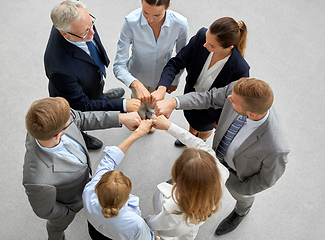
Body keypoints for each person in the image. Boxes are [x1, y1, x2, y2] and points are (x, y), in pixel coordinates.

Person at [154, 78, 290, 235]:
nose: (229, 98)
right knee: (193, 174)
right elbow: (209, 98)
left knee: (242, 197)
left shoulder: (275, 148)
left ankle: (241, 212)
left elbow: (266, 180)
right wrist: (174, 102)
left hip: (237, 177)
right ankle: (182, 187)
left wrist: (238, 187)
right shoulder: (236, 91)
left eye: (233, 101)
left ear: (251, 114)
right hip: (214, 156)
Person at [22, 97, 141, 240]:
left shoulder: (54, 120)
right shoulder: (37, 180)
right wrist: (69, 212)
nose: (72, 117)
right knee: (56, 227)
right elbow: (45, 210)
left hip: (81, 181)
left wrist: (121, 118)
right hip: (71, 203)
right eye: (68, 121)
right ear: (58, 134)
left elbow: (82, 118)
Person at [44, 0, 141, 149]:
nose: (92, 32)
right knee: (75, 117)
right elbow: (82, 105)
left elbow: (88, 31)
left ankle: (100, 98)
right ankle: (79, 134)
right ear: (65, 33)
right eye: (85, 32)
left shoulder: (73, 21)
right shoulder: (60, 70)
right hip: (73, 100)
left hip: (86, 80)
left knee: (95, 92)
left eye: (91, 24)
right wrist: (122, 105)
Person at [152, 17, 249, 146]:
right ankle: (190, 135)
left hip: (210, 111)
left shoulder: (240, 69)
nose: (205, 45)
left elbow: (233, 100)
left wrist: (219, 120)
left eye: (211, 45)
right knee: (192, 123)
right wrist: (161, 88)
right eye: (207, 39)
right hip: (189, 96)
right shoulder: (201, 37)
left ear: (229, 47)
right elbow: (176, 63)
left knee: (202, 129)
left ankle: (199, 141)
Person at [145, 115, 229, 240]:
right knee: (191, 233)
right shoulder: (220, 171)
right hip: (197, 221)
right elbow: (198, 143)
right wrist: (169, 126)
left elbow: (160, 223)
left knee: (167, 237)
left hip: (173, 231)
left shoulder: (173, 206)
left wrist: (146, 221)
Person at [113, 0, 188, 130]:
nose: (150, 20)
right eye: (145, 12)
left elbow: (181, 57)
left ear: (168, 6)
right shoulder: (131, 22)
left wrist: (175, 80)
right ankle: (140, 116)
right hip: (137, 73)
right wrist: (135, 83)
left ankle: (151, 115)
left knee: (154, 103)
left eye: (157, 15)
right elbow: (118, 65)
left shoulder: (180, 24)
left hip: (163, 76)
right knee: (138, 101)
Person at [83, 120, 156, 240]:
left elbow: (108, 162)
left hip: (95, 231)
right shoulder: (136, 224)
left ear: (97, 189)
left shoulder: (88, 191)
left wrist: (137, 133)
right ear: (127, 197)